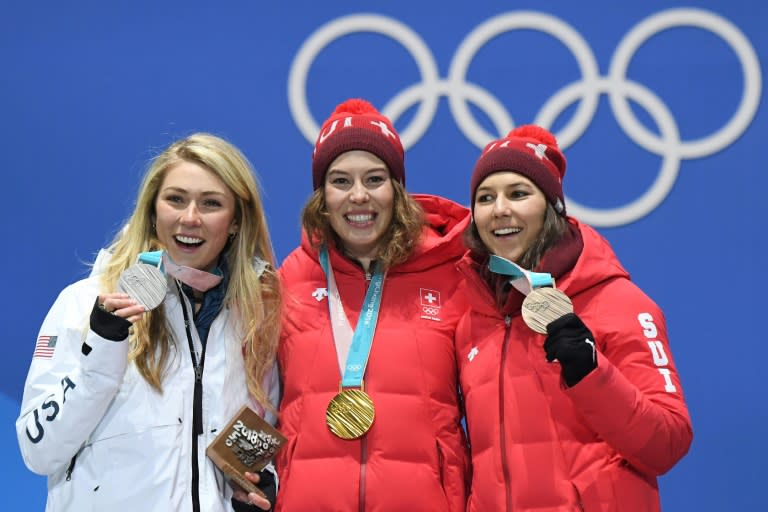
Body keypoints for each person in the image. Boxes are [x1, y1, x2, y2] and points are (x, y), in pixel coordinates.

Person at [16, 133, 282, 511]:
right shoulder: (83, 303)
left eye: (210, 204)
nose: (190, 218)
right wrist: (102, 352)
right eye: (175, 199)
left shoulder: (254, 322)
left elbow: (254, 441)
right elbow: (37, 450)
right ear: (153, 211)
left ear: (236, 221)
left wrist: (259, 485)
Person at [456, 125, 693, 511]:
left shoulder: (619, 302)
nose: (500, 209)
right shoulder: (471, 316)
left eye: (518, 193)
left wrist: (591, 374)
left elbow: (668, 443)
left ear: (553, 208)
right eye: (485, 197)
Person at [275, 99, 471, 511]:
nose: (359, 196)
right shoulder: (289, 280)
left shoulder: (451, 275)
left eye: (375, 179)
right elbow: (249, 395)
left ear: (397, 189)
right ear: (322, 195)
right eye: (341, 181)